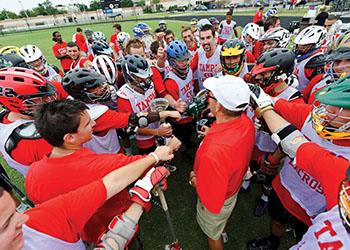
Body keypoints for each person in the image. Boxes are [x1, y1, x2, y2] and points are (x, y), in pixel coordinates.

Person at [26, 98, 181, 244]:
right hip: (116, 230)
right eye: (87, 123)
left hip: (84, 235)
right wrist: (168, 147)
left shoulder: (32, 174)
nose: (94, 123)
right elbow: (143, 164)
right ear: (69, 138)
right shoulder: (101, 165)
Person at [247, 74, 350, 250]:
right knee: (278, 219)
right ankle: (273, 240)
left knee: (306, 233)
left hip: (314, 207)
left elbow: (296, 144)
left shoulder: (341, 168)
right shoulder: (313, 117)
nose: (326, 110)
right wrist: (264, 100)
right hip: (287, 186)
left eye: (339, 107)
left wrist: (265, 106)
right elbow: (280, 106)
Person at [0, 163, 171, 250]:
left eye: (15, 212)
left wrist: (142, 193)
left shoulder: (37, 221)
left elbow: (108, 184)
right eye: (6, 223)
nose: (24, 218)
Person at [189, 75, 255, 250]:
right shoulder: (246, 122)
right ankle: (223, 229)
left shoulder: (214, 151)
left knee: (212, 233)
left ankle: (219, 235)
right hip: (234, 185)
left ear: (218, 106)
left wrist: (194, 181)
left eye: (210, 95)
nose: (207, 98)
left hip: (220, 197)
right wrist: (213, 133)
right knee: (224, 218)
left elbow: (211, 194)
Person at [0, 67, 68, 176]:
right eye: (42, 97)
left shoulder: (5, 118)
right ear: (16, 103)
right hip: (58, 179)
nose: (49, 99)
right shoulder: (32, 138)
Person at [164, 40, 194, 147]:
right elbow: (176, 106)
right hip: (180, 118)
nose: (185, 62)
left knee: (189, 133)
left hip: (190, 112)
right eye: (180, 60)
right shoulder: (171, 81)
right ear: (172, 62)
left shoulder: (189, 70)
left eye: (185, 59)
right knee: (181, 138)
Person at [293, 25, 326, 92]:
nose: (300, 48)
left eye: (305, 45)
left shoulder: (315, 63)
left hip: (303, 97)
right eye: (299, 45)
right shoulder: (298, 56)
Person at [190, 24, 222, 91]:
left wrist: (224, 66)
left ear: (214, 37)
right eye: (202, 38)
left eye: (208, 37)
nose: (205, 42)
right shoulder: (199, 52)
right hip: (203, 93)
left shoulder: (222, 52)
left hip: (218, 94)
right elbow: (190, 70)